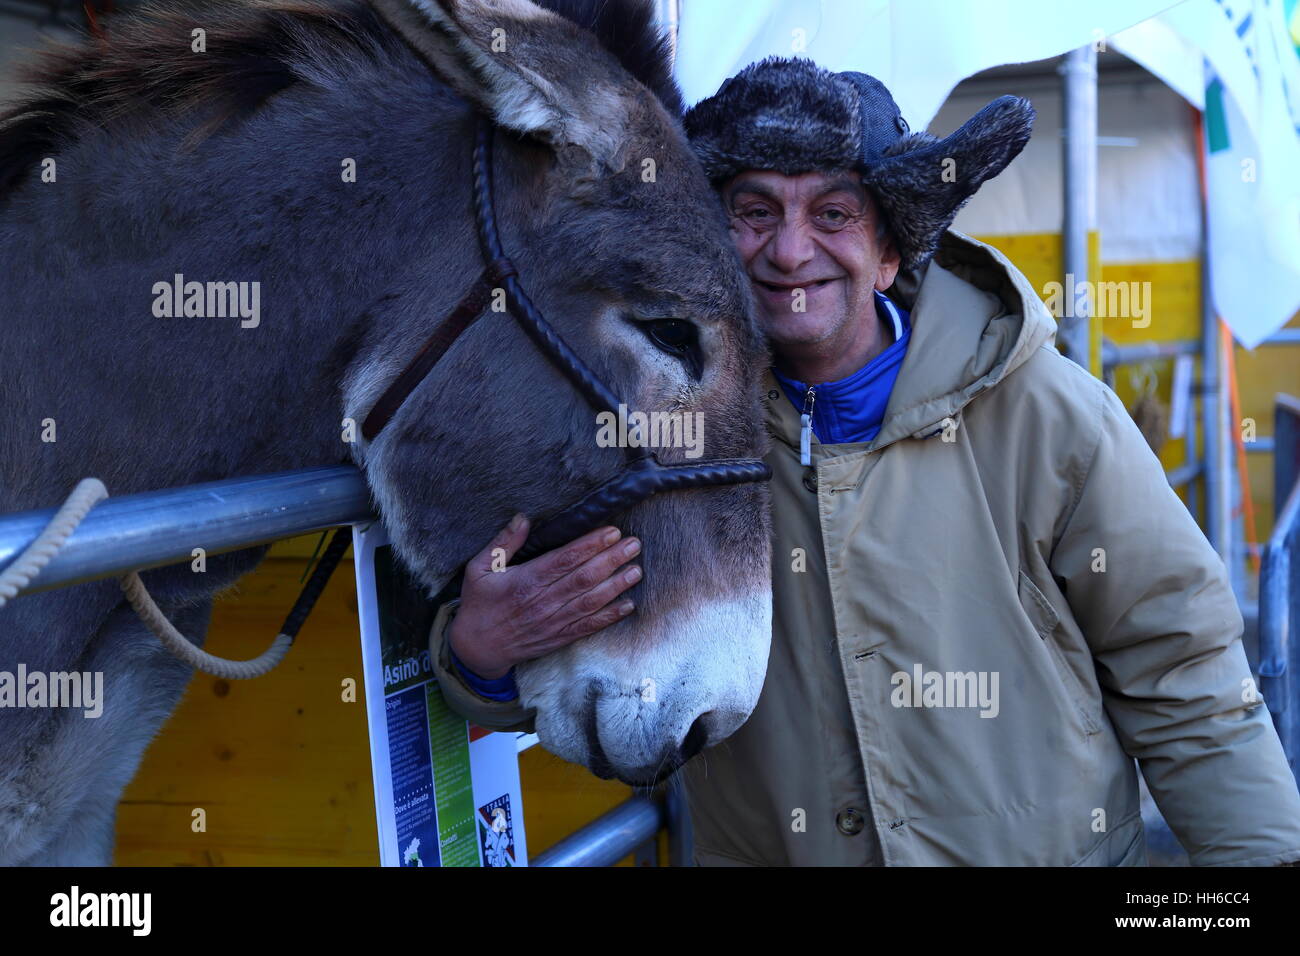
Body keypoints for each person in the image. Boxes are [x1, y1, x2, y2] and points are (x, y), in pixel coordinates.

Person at [426, 57, 1300, 865]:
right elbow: (604, 688)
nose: (791, 250)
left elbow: (1187, 681)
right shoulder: (650, 436)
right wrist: (484, 655)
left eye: (834, 214)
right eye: (754, 211)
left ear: (890, 252)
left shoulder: (1048, 416)